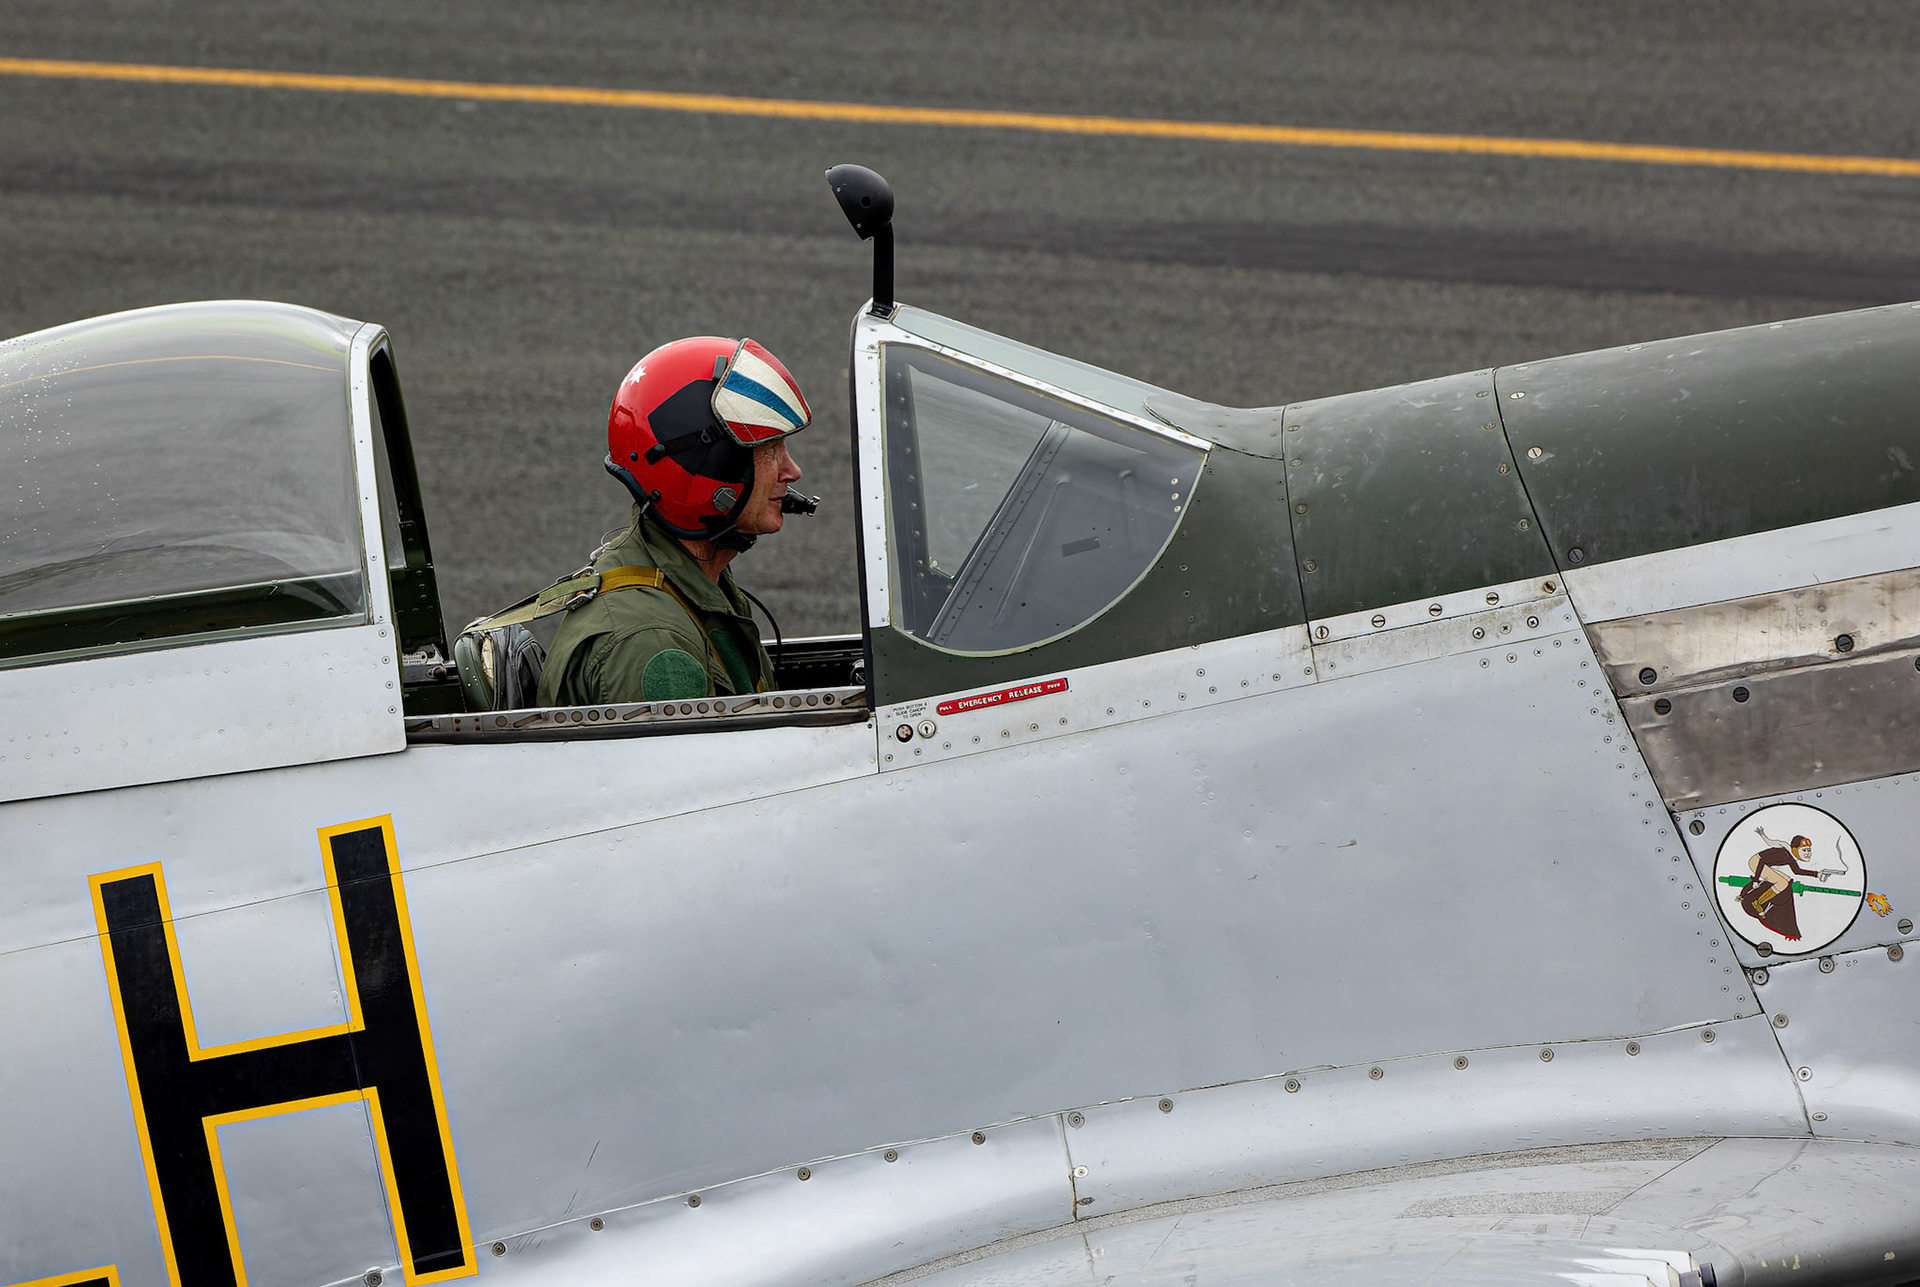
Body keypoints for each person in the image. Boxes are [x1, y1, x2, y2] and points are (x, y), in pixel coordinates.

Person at [536, 336, 812, 706]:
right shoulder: (654, 647)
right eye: (769, 449)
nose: (792, 471)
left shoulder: (696, 579)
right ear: (709, 468)